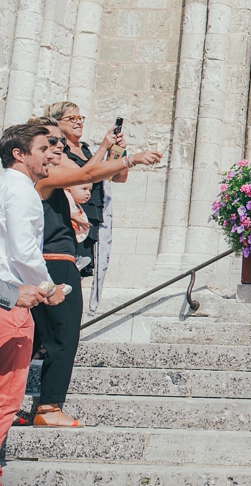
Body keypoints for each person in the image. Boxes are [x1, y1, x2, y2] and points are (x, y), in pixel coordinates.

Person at [30, 117, 161, 427]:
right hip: (55, 259)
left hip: (57, 257)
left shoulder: (44, 176)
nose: (58, 146)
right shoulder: (45, 176)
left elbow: (87, 177)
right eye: (51, 141)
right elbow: (86, 173)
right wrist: (130, 158)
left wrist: (107, 150)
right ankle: (49, 408)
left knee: (44, 338)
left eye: (58, 141)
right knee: (63, 337)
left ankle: (41, 404)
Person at [0, 123, 65, 463]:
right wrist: (49, 288)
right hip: (9, 300)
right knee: (6, 399)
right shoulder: (23, 189)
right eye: (43, 148)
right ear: (19, 154)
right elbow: (24, 252)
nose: (51, 155)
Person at [47, 101, 128, 312]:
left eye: (80, 118)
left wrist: (118, 151)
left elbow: (118, 177)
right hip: (69, 217)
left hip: (92, 217)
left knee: (81, 273)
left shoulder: (87, 150)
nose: (78, 123)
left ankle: (71, 319)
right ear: (57, 122)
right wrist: (103, 148)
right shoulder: (58, 151)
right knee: (67, 271)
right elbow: (84, 176)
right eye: (71, 118)